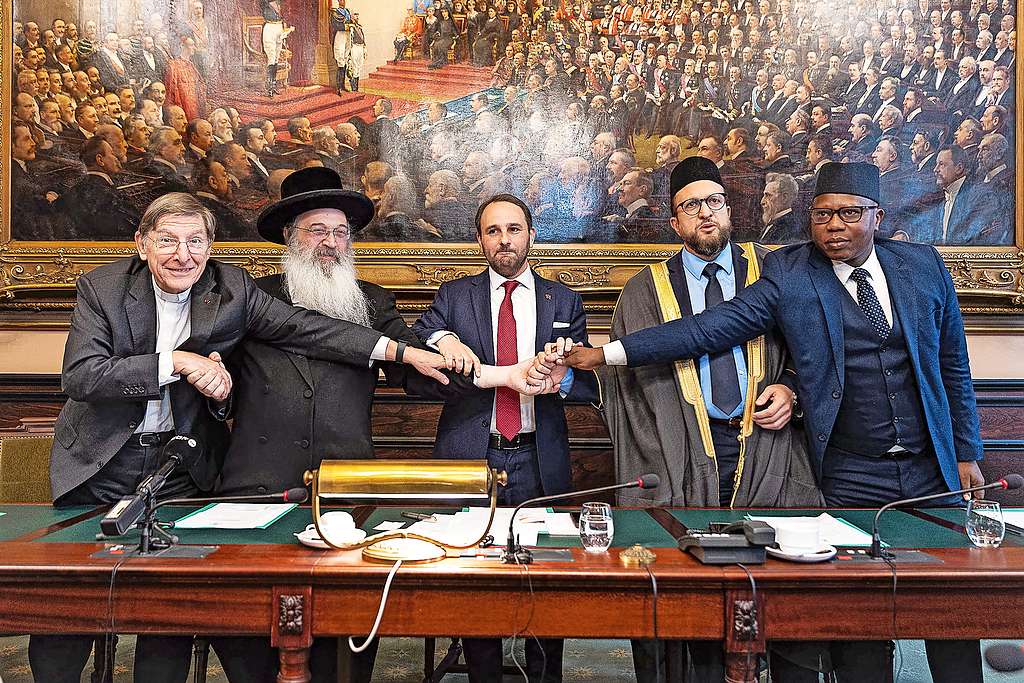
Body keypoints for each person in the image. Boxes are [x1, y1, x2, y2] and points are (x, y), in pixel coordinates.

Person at [557, 162, 986, 683]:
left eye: (848, 214)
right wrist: (606, 355)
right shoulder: (791, 273)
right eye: (822, 214)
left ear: (877, 215)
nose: (833, 226)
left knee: (955, 612)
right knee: (858, 623)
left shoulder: (923, 267)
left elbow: (952, 366)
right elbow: (708, 328)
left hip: (932, 468)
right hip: (849, 472)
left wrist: (967, 454)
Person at [32, 190, 451, 683]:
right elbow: (82, 377)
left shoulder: (229, 289)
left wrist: (405, 353)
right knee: (67, 609)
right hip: (103, 464)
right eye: (167, 240)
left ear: (210, 246)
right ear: (142, 244)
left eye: (195, 241)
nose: (182, 254)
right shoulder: (101, 288)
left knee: (169, 617)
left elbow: (308, 329)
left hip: (180, 469)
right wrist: (178, 364)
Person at [412, 193, 599, 683]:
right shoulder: (454, 296)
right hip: (474, 454)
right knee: (476, 577)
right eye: (493, 231)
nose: (504, 240)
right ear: (479, 239)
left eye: (514, 229)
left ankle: (544, 677)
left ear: (531, 235)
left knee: (548, 575)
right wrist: (443, 339)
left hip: (539, 457)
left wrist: (558, 377)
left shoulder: (565, 300)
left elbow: (581, 381)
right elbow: (423, 335)